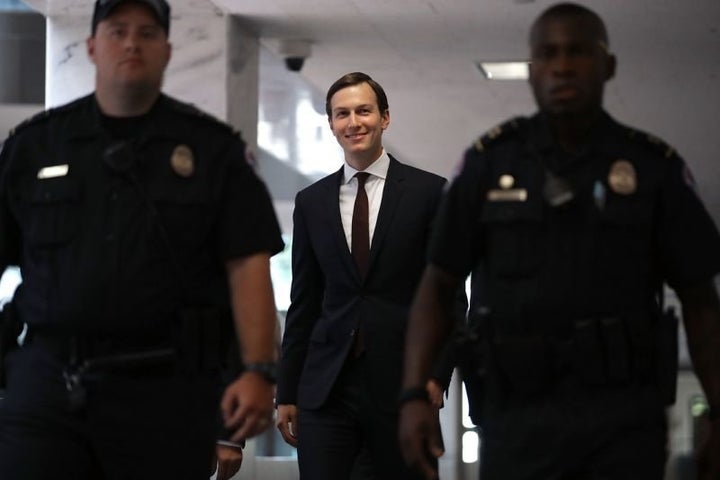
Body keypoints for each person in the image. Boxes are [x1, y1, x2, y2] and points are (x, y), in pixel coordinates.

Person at [398, 3, 720, 480]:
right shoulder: (488, 165)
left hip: (623, 419)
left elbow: (700, 301)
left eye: (578, 52)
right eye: (548, 54)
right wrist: (413, 393)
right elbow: (438, 285)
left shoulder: (653, 168)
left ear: (608, 65)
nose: (563, 66)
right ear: (532, 71)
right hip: (517, 417)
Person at [0, 0, 285, 478]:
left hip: (165, 388)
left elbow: (248, 266)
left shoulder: (212, 152)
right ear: (91, 46)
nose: (132, 42)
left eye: (147, 33)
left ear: (168, 50)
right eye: (117, 31)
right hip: (48, 382)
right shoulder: (35, 146)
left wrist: (259, 370)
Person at [275, 71, 447, 480]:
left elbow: (448, 298)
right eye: (342, 114)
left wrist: (438, 375)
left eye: (364, 111)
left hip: (403, 385)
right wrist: (287, 392)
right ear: (332, 124)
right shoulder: (312, 202)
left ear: (385, 118)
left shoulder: (429, 193)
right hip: (326, 389)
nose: (353, 122)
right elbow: (304, 301)